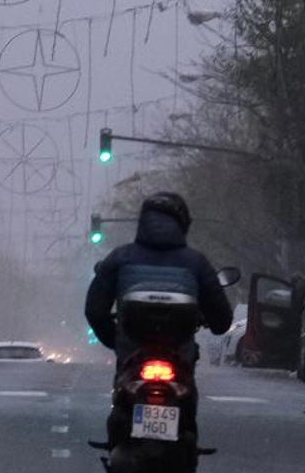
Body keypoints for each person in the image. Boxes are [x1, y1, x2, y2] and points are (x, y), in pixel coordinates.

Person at [84, 192, 234, 455]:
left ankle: (118, 435)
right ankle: (186, 434)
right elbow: (222, 319)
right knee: (187, 391)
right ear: (183, 223)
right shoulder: (196, 263)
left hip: (132, 354)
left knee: (122, 394)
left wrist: (115, 339)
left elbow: (95, 310)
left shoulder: (121, 258)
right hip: (179, 358)